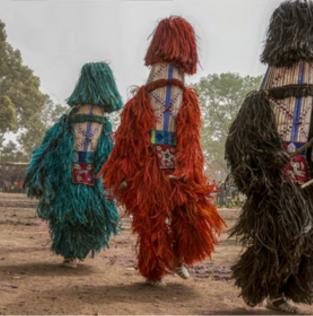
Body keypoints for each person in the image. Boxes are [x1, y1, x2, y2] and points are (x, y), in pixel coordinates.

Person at [225, 0, 313, 313]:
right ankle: (257, 285)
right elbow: (240, 149)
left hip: (306, 188)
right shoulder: (257, 106)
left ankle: (281, 295)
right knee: (275, 239)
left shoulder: (312, 110)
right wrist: (268, 164)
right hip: (275, 188)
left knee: (311, 241)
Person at [101, 16, 224, 285]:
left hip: (180, 166)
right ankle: (154, 267)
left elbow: (191, 138)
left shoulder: (187, 99)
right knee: (151, 219)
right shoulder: (140, 103)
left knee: (187, 213)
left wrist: (190, 167)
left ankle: (178, 258)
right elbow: (128, 138)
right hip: (150, 167)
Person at [25, 62, 122, 268]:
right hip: (89, 176)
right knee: (86, 217)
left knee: (70, 216)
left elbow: (49, 146)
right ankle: (73, 252)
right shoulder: (101, 122)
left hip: (73, 175)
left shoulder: (72, 119)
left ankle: (71, 254)